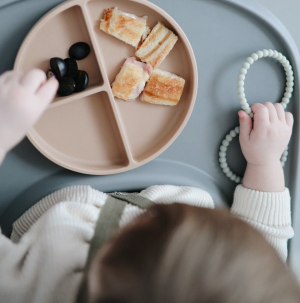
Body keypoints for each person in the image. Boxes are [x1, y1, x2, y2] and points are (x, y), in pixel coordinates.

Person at [0, 68, 299, 303]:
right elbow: (265, 231)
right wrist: (266, 161)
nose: (150, 215)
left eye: (141, 227)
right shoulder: (251, 281)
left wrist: (4, 129)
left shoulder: (31, 289)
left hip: (41, 189)